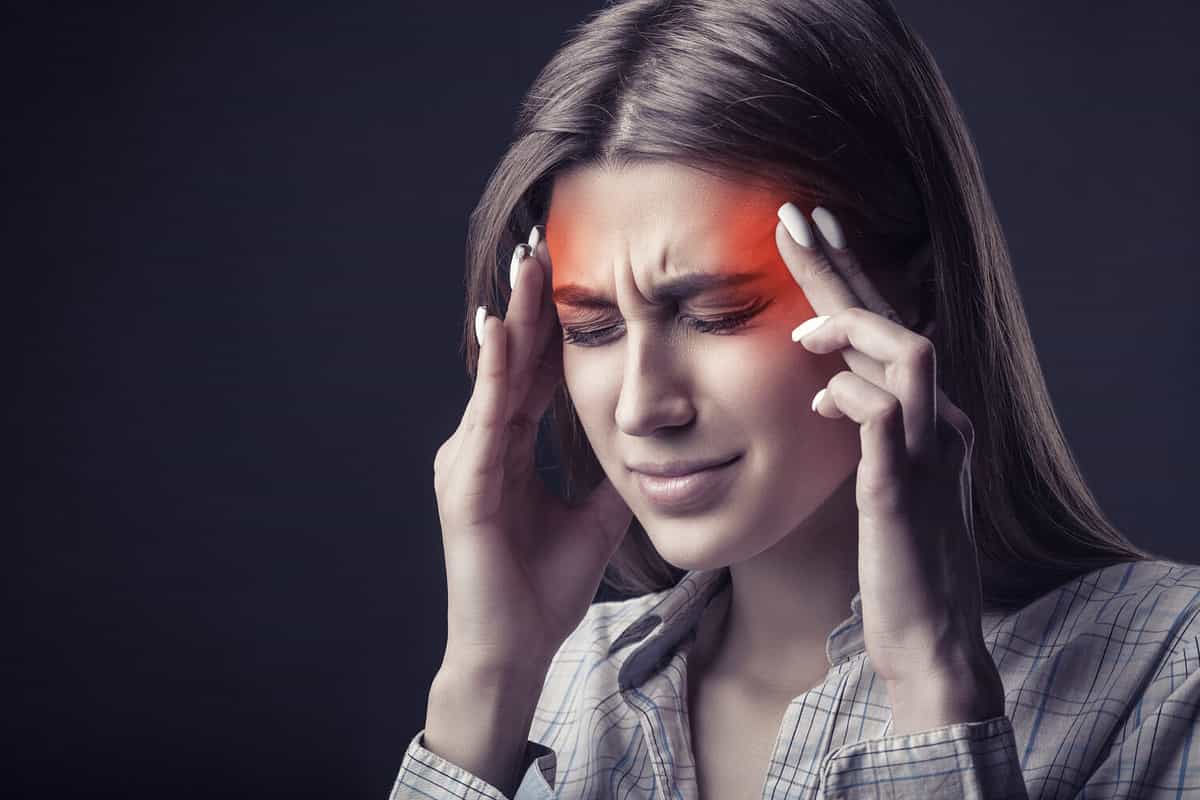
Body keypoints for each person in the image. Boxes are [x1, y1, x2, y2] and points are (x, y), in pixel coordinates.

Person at [390, 0, 1199, 797]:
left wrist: (933, 675)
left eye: (718, 314)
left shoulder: (1170, 670)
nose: (642, 407)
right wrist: (486, 684)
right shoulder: (556, 690)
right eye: (591, 327)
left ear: (907, 292)